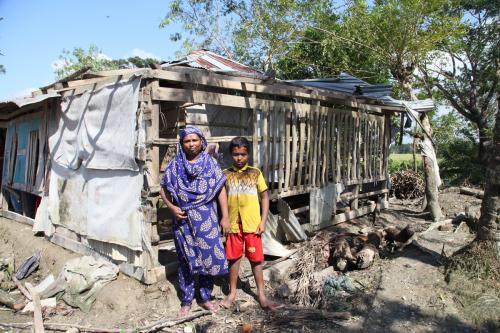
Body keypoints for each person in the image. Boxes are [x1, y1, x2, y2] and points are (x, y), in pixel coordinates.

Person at [160, 126, 230, 316]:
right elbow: (163, 189)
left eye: (194, 140)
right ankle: (186, 300)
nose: (191, 144)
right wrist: (172, 208)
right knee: (185, 260)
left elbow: (221, 189)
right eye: (187, 141)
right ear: (182, 144)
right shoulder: (175, 165)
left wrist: (225, 216)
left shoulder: (210, 163)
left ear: (201, 142)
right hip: (182, 220)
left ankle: (205, 298)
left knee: (208, 259)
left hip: (207, 217)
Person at [220, 136, 281, 311]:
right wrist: (223, 218)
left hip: (252, 225)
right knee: (233, 258)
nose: (239, 158)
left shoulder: (255, 173)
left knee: (256, 260)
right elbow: (221, 198)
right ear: (231, 155)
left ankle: (261, 295)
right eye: (235, 154)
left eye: (243, 154)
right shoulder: (225, 175)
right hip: (233, 224)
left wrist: (263, 221)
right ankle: (232, 293)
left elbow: (264, 196)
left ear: (248, 155)